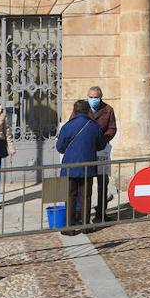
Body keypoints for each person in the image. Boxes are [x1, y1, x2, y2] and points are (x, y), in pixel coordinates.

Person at [56, 99, 105, 234]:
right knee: (86, 196)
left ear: (75, 110)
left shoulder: (68, 126)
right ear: (87, 110)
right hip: (87, 166)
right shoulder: (94, 126)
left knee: (70, 196)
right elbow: (101, 145)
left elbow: (60, 147)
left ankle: (69, 227)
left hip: (70, 166)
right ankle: (85, 225)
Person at [87, 86, 117, 221]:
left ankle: (101, 213)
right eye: (91, 97)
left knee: (102, 182)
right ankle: (84, 213)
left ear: (100, 97)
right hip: (86, 149)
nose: (93, 99)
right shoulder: (82, 108)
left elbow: (112, 128)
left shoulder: (108, 110)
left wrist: (105, 138)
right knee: (86, 182)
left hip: (102, 149)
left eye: (95, 97)